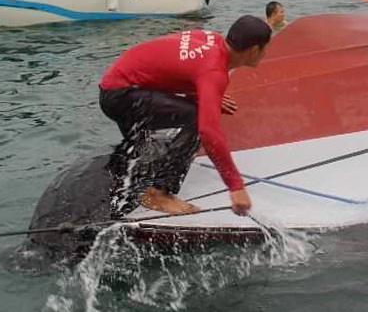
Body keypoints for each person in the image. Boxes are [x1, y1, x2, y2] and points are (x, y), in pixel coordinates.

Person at [97, 15, 272, 217]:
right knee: (196, 117)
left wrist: (206, 95)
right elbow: (209, 132)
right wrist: (236, 186)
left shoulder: (212, 39)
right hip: (120, 97)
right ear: (254, 50)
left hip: (120, 86)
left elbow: (175, 63)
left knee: (189, 115)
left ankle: (134, 172)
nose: (265, 53)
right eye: (265, 49)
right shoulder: (214, 72)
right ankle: (159, 193)